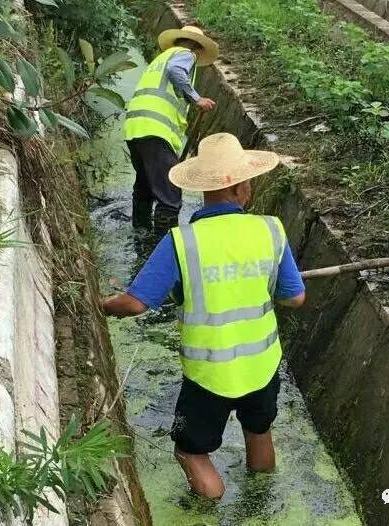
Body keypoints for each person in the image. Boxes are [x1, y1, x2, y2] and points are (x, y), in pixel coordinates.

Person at [101, 133, 306, 499]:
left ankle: (208, 505)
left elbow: (135, 304)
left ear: (202, 189)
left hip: (208, 375)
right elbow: (295, 297)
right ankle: (260, 505)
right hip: (261, 366)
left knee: (191, 450)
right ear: (241, 186)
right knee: (258, 432)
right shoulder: (270, 230)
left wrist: (101, 305)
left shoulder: (182, 242)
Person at [124, 25, 219, 235]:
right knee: (170, 196)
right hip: (156, 128)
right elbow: (176, 71)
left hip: (135, 126)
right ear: (197, 49)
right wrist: (197, 99)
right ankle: (163, 246)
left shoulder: (161, 58)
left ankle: (140, 237)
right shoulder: (186, 54)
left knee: (145, 187)